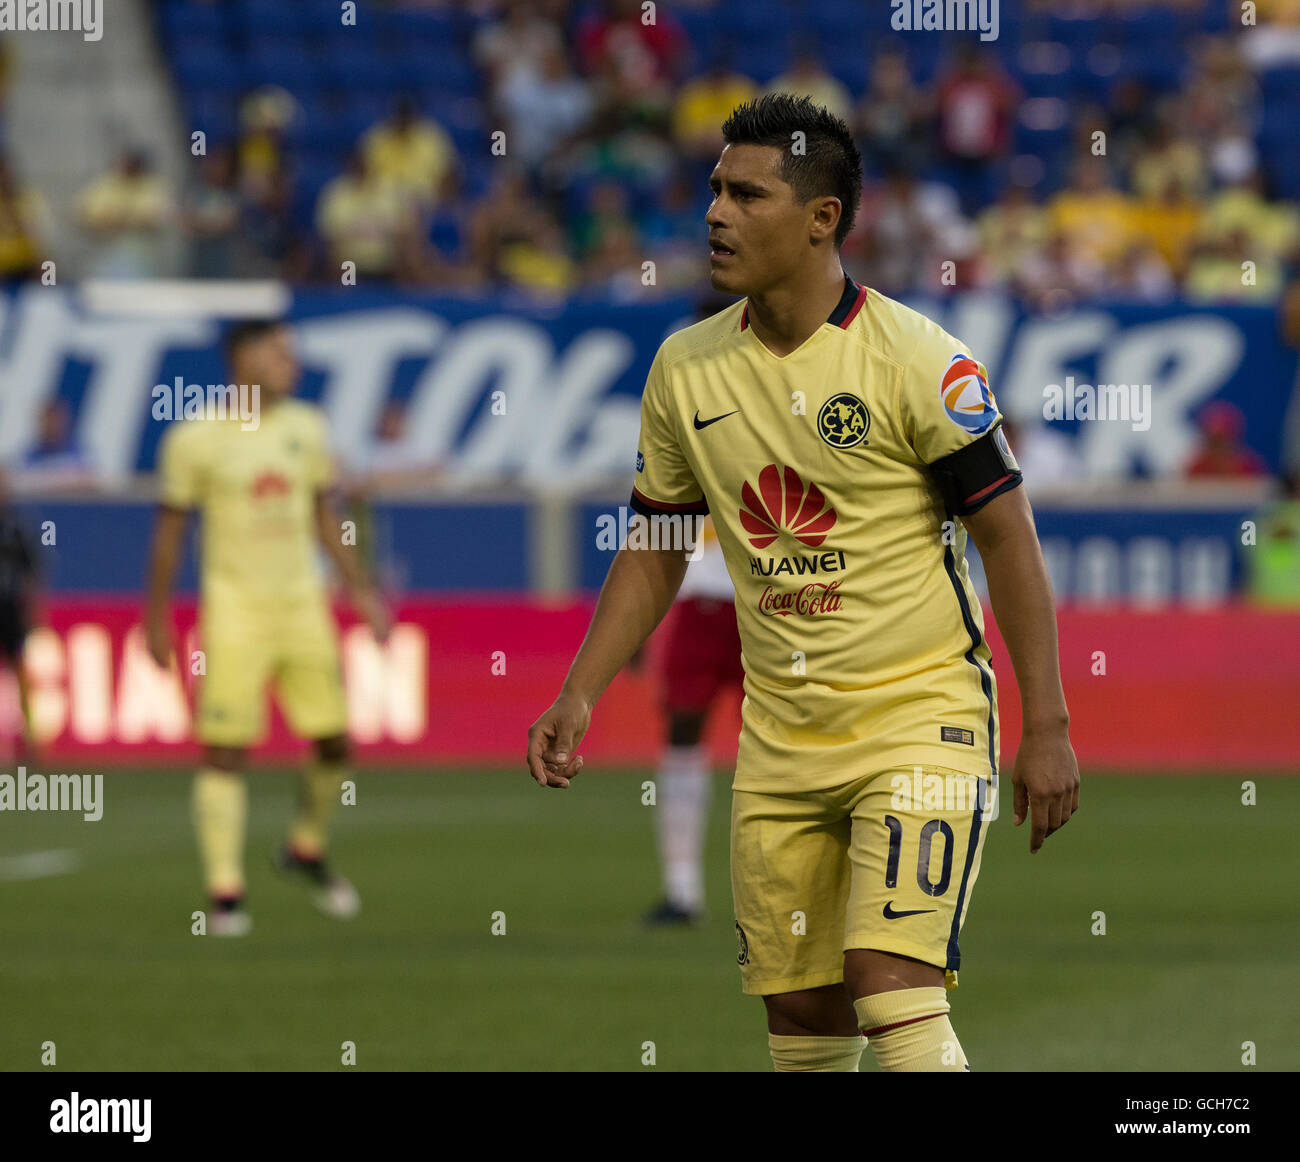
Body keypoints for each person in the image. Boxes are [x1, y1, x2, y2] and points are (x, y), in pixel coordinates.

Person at [526, 94, 1078, 1072]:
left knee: (888, 982)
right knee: (805, 1020)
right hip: (780, 748)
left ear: (821, 218)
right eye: (713, 192)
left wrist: (1047, 725)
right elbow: (655, 545)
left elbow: (1008, 537)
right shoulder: (686, 369)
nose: (715, 214)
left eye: (747, 195)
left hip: (920, 719)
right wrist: (581, 687)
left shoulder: (921, 361)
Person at [145, 321, 391, 936]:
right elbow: (169, 537)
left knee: (336, 745)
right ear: (242, 357)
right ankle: (225, 893)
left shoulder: (306, 428)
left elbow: (322, 516)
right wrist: (155, 618)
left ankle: (305, 847)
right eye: (278, 352)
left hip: (303, 608)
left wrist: (361, 591)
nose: (292, 362)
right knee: (226, 751)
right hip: (234, 613)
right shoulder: (195, 439)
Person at [642, 515, 742, 925]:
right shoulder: (685, 453)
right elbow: (655, 530)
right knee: (681, 730)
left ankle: (805, 888)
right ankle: (682, 891)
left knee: (784, 736)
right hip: (697, 601)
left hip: (768, 600)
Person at [0, 469, 38, 757]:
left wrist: (34, 609)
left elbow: (32, 572)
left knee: (21, 671)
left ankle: (29, 740)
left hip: (10, 608)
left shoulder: (16, 528)